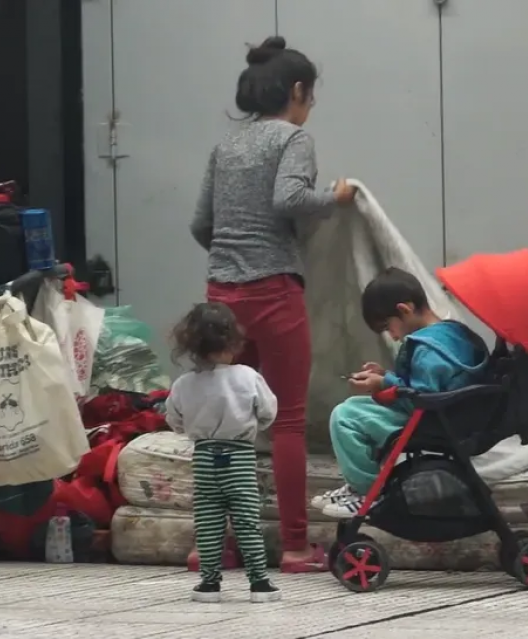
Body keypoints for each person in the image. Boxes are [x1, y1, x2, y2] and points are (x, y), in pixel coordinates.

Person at [188, 35, 357, 572]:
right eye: (312, 97)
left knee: (226, 424)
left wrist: (229, 258)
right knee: (285, 420)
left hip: (221, 297)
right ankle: (292, 546)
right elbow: (290, 200)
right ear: (298, 91)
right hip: (274, 292)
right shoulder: (292, 139)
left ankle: (213, 546)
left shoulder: (226, 146)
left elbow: (201, 225)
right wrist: (337, 199)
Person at [312, 267, 487, 518]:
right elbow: (428, 383)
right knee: (355, 407)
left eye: (388, 327)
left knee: (345, 416)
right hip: (451, 416)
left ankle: (368, 491)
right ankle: (361, 484)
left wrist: (384, 384)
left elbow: (422, 395)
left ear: (404, 310)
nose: (393, 336)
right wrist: (384, 376)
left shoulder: (428, 348)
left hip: (432, 422)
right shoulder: (451, 332)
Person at [164, 302, 282, 603]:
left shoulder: (183, 384)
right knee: (246, 521)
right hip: (239, 457)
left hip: (204, 458)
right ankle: (259, 584)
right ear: (233, 341)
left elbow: (174, 421)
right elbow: (268, 412)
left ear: (191, 345)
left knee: (208, 523)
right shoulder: (247, 377)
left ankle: (209, 584)